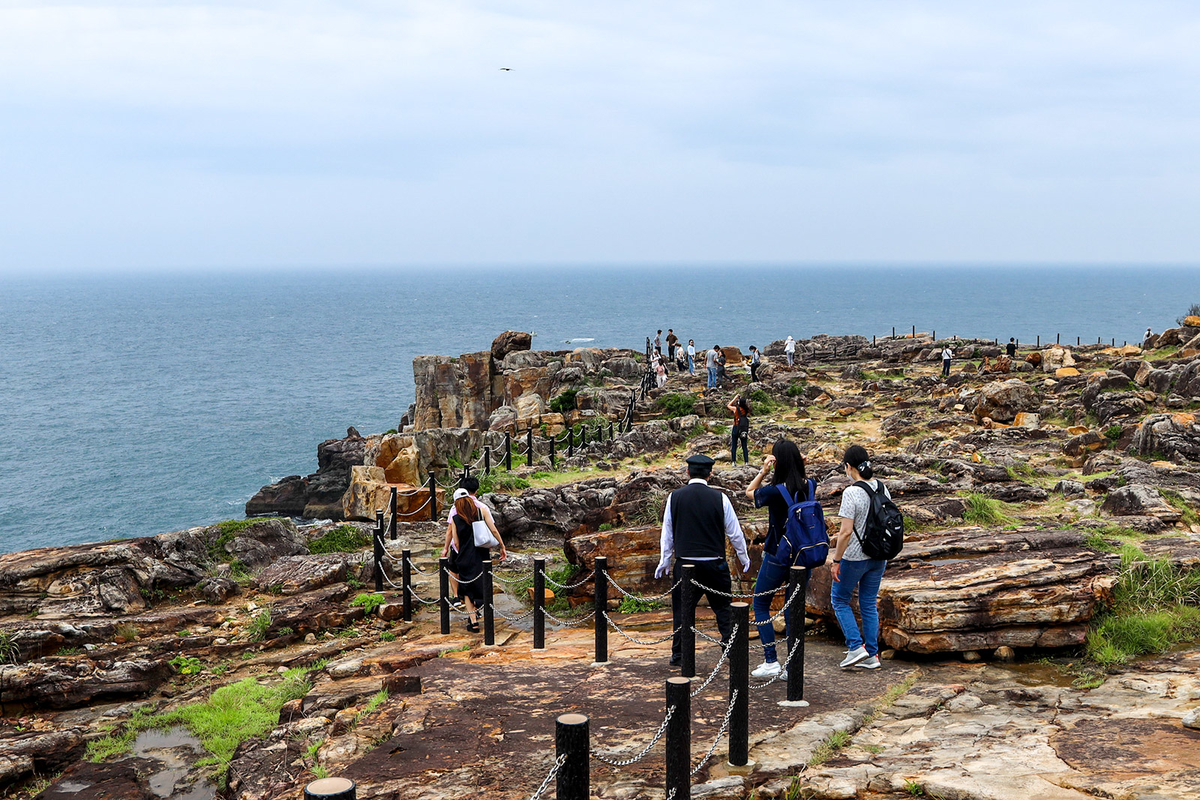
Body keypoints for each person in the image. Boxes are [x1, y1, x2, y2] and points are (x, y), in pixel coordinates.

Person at [655, 454, 750, 667]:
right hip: (714, 563)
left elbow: (667, 533)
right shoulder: (720, 498)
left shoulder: (675, 497)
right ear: (710, 474)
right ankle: (730, 649)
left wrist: (665, 559)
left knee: (682, 611)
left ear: (687, 472)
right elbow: (735, 533)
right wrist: (743, 556)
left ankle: (679, 654)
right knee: (723, 608)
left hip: (686, 564)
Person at [744, 440, 809, 677]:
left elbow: (749, 492)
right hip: (803, 557)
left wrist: (763, 471)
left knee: (761, 603)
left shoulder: (775, 491)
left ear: (777, 462)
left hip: (778, 554)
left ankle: (771, 660)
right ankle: (792, 668)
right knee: (794, 611)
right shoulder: (809, 485)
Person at [831, 445, 889, 670]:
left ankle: (856, 647)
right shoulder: (883, 488)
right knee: (867, 603)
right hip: (879, 555)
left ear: (849, 467)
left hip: (855, 557)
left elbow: (845, 532)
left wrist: (836, 561)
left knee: (839, 599)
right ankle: (873, 655)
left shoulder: (851, 492)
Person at [441, 487, 499, 633]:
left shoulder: (455, 518)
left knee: (467, 589)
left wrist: (457, 552)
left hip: (464, 557)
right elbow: (493, 530)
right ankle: (478, 608)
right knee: (482, 584)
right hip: (482, 556)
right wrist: (502, 545)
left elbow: (457, 541)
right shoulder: (481, 511)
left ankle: (473, 622)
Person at [726, 395, 750, 464]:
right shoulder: (746, 410)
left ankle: (734, 462)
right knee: (744, 446)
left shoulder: (736, 409)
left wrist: (734, 398)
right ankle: (746, 462)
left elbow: (728, 405)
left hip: (736, 427)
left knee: (734, 445)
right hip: (743, 428)